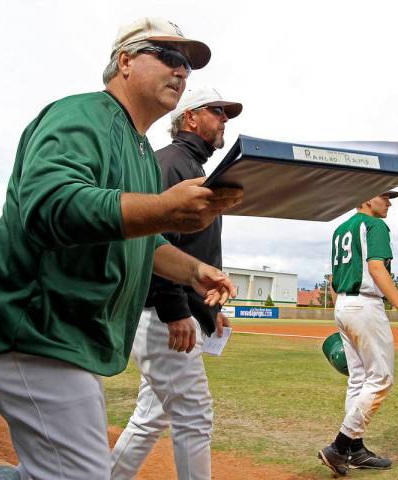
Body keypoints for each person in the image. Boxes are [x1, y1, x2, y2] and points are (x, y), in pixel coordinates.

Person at [0, 18, 243, 480]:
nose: (181, 71)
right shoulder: (80, 114)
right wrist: (165, 210)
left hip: (62, 339)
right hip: (29, 332)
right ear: (124, 61)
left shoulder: (143, 152)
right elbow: (50, 204)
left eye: (186, 64)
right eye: (168, 57)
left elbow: (139, 239)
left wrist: (191, 270)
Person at [111, 86, 242, 480]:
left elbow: (195, 250)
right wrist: (175, 309)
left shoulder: (195, 169)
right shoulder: (169, 163)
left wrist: (208, 310)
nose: (224, 120)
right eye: (217, 111)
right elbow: (152, 242)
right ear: (190, 118)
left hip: (174, 314)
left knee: (150, 418)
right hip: (162, 316)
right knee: (194, 415)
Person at [317, 191, 398, 476]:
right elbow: (376, 268)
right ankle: (339, 447)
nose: (388, 203)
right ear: (365, 199)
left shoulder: (341, 229)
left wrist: (342, 307)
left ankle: (355, 449)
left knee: (359, 379)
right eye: (384, 197)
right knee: (381, 378)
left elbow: (333, 277)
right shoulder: (375, 226)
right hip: (365, 303)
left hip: (344, 302)